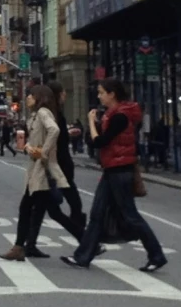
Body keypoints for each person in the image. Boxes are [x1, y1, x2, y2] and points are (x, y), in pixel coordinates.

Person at [64, 78, 166, 273]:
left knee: (131, 216)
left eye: (102, 92)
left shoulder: (120, 117)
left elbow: (100, 142)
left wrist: (91, 124)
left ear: (112, 94)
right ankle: (82, 256)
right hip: (113, 170)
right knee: (97, 215)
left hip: (119, 171)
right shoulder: (115, 115)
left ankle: (156, 255)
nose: (99, 96)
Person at [3, 84, 85, 261]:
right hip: (37, 170)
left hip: (43, 171)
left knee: (28, 208)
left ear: (39, 97)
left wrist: (44, 151)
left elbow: (54, 130)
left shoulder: (43, 113)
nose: (28, 98)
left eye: (31, 95)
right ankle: (24, 246)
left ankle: (20, 247)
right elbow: (36, 140)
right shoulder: (34, 115)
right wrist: (27, 147)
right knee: (48, 211)